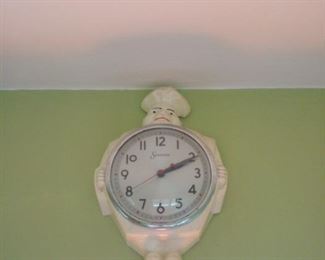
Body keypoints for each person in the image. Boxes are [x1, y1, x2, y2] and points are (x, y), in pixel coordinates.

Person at [95, 86, 228, 260]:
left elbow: (216, 178)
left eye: (170, 112)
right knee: (154, 250)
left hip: (186, 219)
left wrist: (220, 180)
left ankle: (169, 253)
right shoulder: (120, 143)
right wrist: (101, 180)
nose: (162, 114)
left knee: (172, 250)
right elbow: (105, 176)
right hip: (139, 221)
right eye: (156, 110)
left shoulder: (205, 144)